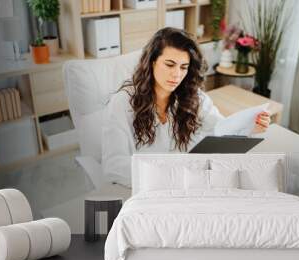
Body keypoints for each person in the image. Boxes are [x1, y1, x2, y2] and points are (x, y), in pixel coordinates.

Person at [102, 27, 270, 187]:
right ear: (152, 62)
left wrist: (248, 126)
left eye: (183, 67)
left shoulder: (194, 97)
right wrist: (168, 176)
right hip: (150, 188)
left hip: (189, 183)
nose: (177, 74)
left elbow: (220, 131)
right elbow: (114, 165)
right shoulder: (123, 103)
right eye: (169, 64)